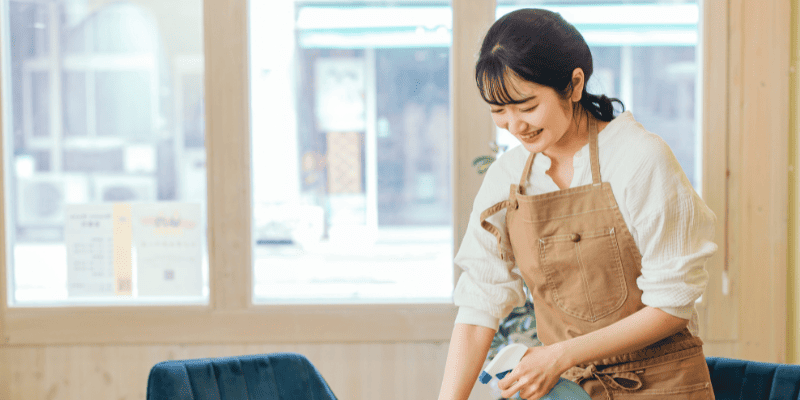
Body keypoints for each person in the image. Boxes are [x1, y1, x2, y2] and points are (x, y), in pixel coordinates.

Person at [437, 8, 717, 400]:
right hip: (569, 389)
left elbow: (672, 306)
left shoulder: (638, 159)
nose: (515, 126)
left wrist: (560, 354)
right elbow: (479, 303)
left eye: (527, 106)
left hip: (661, 387)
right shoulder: (509, 178)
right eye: (499, 112)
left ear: (574, 84)